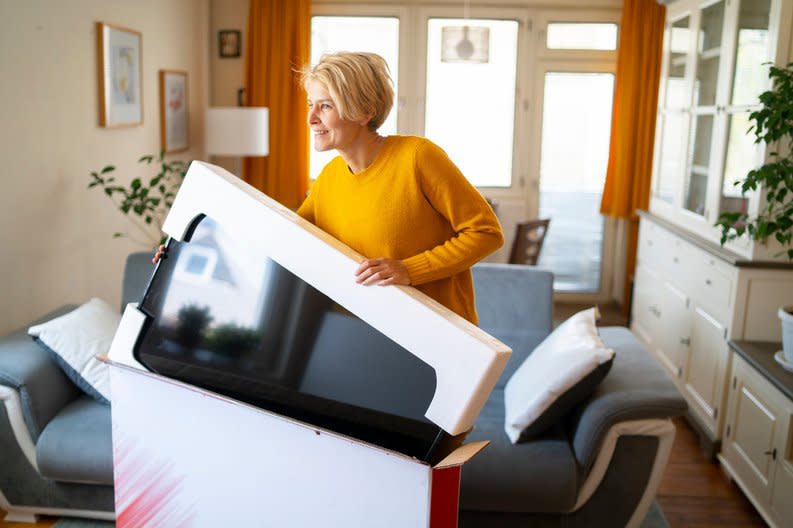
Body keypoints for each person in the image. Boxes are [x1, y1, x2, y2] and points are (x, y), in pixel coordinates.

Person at [298, 51, 503, 325]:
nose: (311, 118)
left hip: (437, 335)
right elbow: (293, 238)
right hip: (367, 334)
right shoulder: (329, 177)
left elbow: (486, 233)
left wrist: (409, 270)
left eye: (325, 106)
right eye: (311, 104)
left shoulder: (418, 157)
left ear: (364, 111)